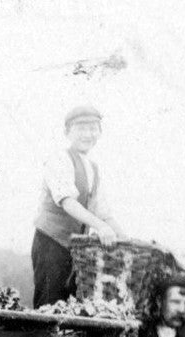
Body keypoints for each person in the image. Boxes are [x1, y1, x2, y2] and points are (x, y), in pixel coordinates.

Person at [31, 104, 126, 307]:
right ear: (68, 132)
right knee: (49, 305)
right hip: (51, 244)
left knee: (74, 308)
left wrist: (126, 241)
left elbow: (103, 212)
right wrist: (100, 227)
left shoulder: (93, 168)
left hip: (77, 252)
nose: (88, 134)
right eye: (81, 128)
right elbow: (68, 202)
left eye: (93, 128)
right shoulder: (59, 159)